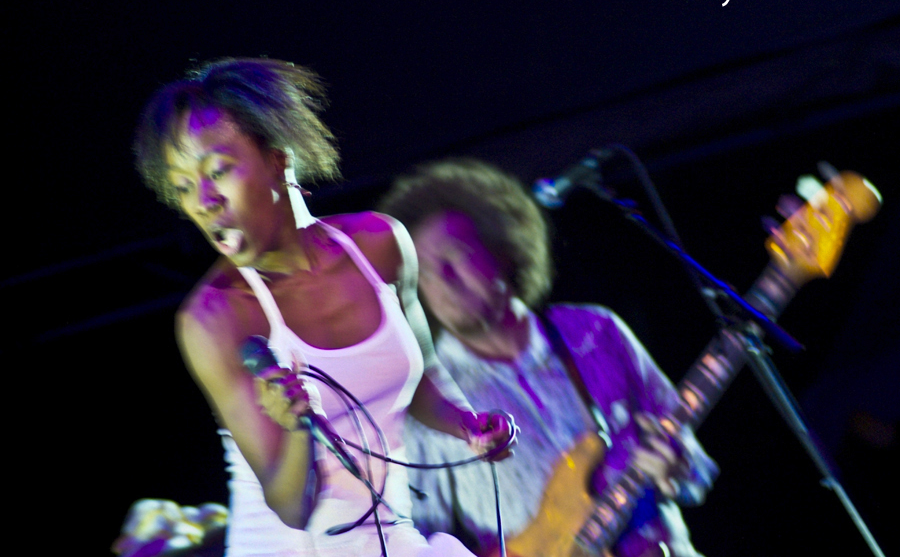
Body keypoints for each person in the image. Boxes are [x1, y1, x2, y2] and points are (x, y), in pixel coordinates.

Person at [133, 58, 512, 557]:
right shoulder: (215, 319)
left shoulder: (379, 244)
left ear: (277, 158)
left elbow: (421, 379)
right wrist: (295, 431)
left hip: (389, 538)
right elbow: (291, 508)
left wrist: (471, 425)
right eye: (183, 186)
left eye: (217, 171)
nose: (202, 201)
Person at [378, 158, 719, 557]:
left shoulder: (594, 332)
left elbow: (694, 461)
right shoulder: (430, 403)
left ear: (502, 248)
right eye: (426, 275)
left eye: (455, 258)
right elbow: (411, 542)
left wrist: (678, 469)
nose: (443, 284)